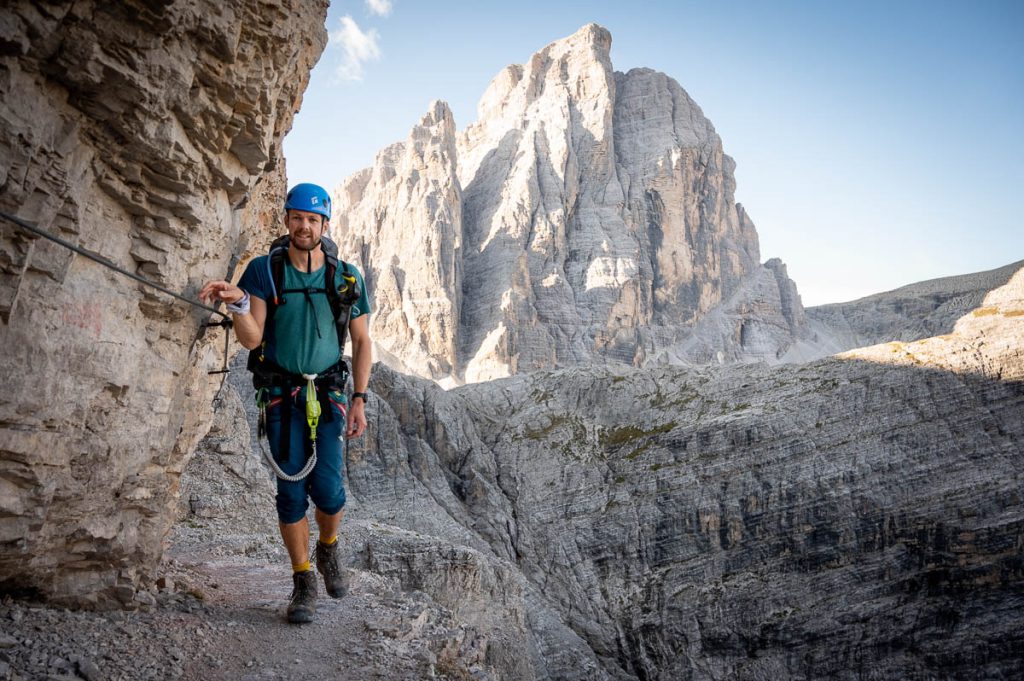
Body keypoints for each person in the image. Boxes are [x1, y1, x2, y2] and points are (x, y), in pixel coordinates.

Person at [200, 183, 371, 624]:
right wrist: (239, 304)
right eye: (297, 217)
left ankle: (328, 548)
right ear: (287, 221)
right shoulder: (264, 271)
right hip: (280, 396)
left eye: (312, 220)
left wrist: (359, 400)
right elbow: (252, 338)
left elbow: (362, 339)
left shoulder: (345, 276)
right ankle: (302, 581)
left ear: (325, 225)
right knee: (291, 495)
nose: (304, 226)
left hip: (329, 396)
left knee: (330, 493)